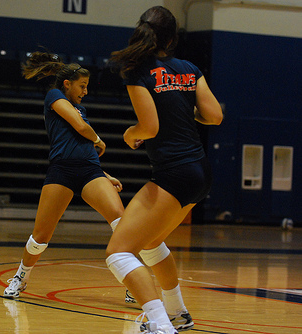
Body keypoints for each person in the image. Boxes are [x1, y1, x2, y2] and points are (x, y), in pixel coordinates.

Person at [105, 6, 223, 334]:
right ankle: (177, 314)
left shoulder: (137, 70)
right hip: (200, 173)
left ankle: (159, 325)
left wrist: (131, 134)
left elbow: (150, 128)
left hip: (173, 173)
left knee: (117, 252)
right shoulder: (189, 69)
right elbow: (214, 116)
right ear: (171, 39)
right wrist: (187, 110)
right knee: (152, 243)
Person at [3, 51, 125, 298]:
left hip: (90, 171)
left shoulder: (80, 108)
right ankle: (21, 276)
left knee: (122, 224)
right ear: (67, 84)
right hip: (62, 171)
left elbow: (80, 144)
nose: (85, 91)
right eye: (82, 86)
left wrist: (104, 173)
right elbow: (81, 129)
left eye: (87, 87)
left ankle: (132, 284)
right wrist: (99, 139)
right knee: (40, 236)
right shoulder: (54, 96)